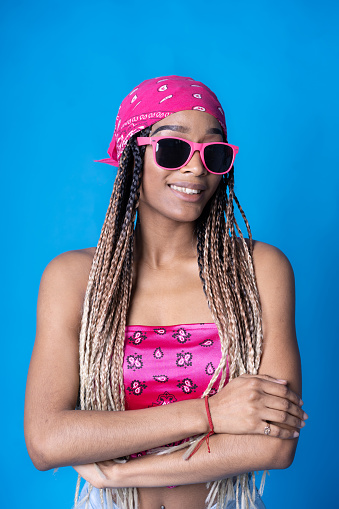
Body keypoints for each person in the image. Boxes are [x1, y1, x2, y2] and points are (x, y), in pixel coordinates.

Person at [24, 76, 307, 509]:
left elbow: (274, 444)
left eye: (213, 154)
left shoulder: (257, 270)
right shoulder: (73, 278)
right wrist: (210, 414)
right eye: (173, 149)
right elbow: (47, 440)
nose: (195, 169)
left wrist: (122, 471)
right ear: (132, 158)